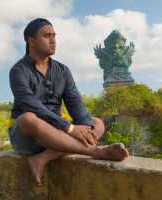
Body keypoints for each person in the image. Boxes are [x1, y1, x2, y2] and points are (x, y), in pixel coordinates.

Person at [8, 18, 129, 185]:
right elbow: (32, 106)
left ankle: (43, 157)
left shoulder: (63, 71)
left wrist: (85, 126)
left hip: (58, 135)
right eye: (46, 36)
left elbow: (76, 104)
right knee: (27, 118)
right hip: (29, 136)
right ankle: (96, 152)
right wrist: (69, 128)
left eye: (54, 36)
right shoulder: (18, 71)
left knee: (97, 122)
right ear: (31, 41)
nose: (53, 40)